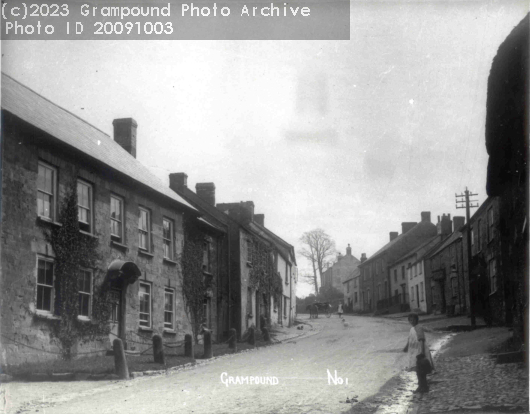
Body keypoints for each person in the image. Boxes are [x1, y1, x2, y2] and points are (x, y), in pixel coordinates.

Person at [403, 313, 434, 393]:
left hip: (420, 350)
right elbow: (410, 339)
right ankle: (421, 386)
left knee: (421, 370)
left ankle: (423, 386)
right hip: (414, 351)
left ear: (417, 320)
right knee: (418, 370)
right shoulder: (412, 329)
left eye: (413, 319)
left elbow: (421, 340)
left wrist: (422, 352)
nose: (411, 321)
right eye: (410, 320)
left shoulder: (419, 328)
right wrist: (406, 347)